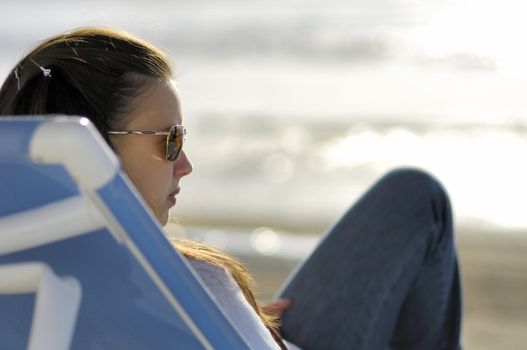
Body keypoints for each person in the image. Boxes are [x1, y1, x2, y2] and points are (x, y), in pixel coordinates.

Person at [0, 27, 462, 350]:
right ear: (97, 148)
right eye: (170, 140)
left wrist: (242, 320)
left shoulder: (25, 275)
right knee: (416, 201)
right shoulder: (174, 285)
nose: (185, 164)